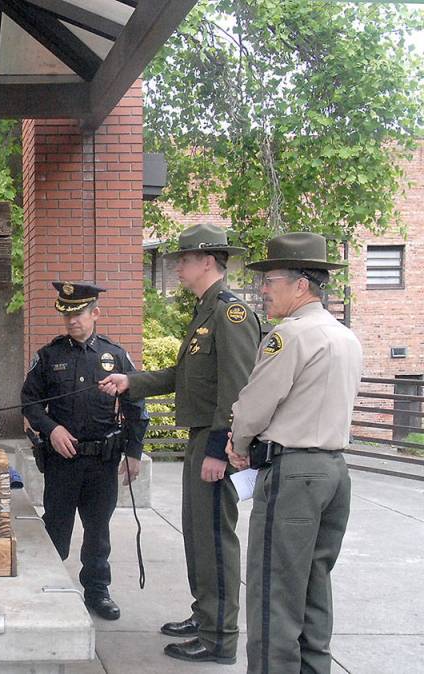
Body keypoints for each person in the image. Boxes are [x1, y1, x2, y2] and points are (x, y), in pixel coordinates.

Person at [98, 223, 260, 664]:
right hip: (201, 438)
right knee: (197, 536)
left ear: (207, 261)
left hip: (214, 442)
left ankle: (220, 637)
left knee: (214, 538)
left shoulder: (231, 314)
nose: (179, 267)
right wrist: (129, 381)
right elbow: (179, 377)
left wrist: (219, 449)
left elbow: (238, 388)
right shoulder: (205, 311)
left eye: (184, 260)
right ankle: (204, 614)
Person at [226, 232, 362, 674]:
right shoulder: (345, 337)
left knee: (274, 591)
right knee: (313, 585)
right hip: (333, 473)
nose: (264, 289)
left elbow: (256, 403)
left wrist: (238, 444)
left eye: (272, 280)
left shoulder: (290, 336)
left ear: (301, 285)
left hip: (295, 472)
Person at [21, 281, 149, 621]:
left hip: (102, 461)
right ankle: (47, 587)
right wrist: (51, 428)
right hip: (62, 461)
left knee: (98, 532)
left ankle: (97, 591)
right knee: (56, 529)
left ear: (95, 313)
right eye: (66, 315)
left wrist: (134, 452)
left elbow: (137, 406)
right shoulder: (49, 356)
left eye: (77, 314)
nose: (71, 321)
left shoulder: (116, 356)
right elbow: (30, 402)